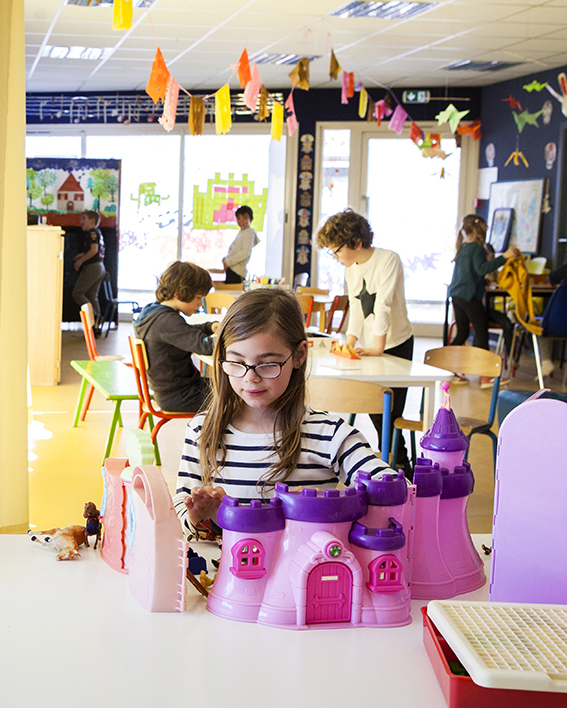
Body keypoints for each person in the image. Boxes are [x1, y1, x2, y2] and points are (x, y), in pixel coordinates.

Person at [173, 288, 395, 541]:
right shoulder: (202, 430)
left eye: (267, 364)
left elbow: (387, 486)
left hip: (305, 574)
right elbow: (182, 500)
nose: (250, 378)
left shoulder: (330, 434)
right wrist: (198, 516)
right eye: (236, 362)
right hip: (228, 575)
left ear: (299, 355)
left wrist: (322, 504)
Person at [315, 209, 414, 474]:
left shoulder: (388, 259)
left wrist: (378, 346)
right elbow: (357, 307)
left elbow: (383, 304)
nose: (335, 258)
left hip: (395, 342)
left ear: (356, 243)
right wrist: (350, 341)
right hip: (371, 346)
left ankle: (398, 463)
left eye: (336, 251)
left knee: (392, 412)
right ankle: (394, 463)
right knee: (375, 404)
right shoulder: (351, 268)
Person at [132, 261, 217, 413]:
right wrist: (236, 339)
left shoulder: (154, 312)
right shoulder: (167, 321)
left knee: (230, 387)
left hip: (173, 392)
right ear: (179, 293)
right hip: (180, 396)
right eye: (198, 298)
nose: (200, 304)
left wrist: (209, 327)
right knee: (236, 396)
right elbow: (206, 346)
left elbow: (183, 332)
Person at [449, 214, 520, 386]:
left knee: (463, 334)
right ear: (480, 229)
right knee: (482, 334)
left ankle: (448, 370)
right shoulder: (476, 248)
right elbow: (481, 269)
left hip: (457, 295)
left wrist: (481, 280)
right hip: (469, 297)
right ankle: (486, 377)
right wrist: (505, 256)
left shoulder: (464, 247)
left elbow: (471, 273)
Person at [72, 210, 106, 326]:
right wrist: (82, 254)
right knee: (92, 296)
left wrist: (80, 261)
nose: (81, 221)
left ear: (92, 221)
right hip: (100, 266)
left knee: (77, 293)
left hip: (93, 267)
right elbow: (95, 250)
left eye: (84, 218)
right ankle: (95, 326)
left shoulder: (92, 232)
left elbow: (94, 250)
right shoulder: (97, 232)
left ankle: (95, 316)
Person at [221, 205, 259, 285]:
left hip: (237, 271)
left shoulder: (249, 232)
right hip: (232, 269)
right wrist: (226, 259)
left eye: (244, 218)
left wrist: (228, 261)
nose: (241, 221)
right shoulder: (242, 232)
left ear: (251, 219)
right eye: (239, 218)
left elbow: (244, 253)